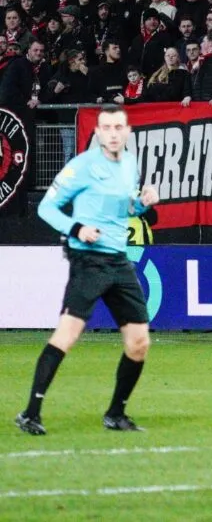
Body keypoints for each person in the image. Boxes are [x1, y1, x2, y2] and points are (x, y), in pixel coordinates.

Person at [16, 106, 161, 435]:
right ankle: (30, 413)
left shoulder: (129, 164)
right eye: (106, 127)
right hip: (88, 262)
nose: (112, 133)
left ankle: (115, 414)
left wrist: (142, 203)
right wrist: (76, 228)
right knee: (67, 335)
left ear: (127, 132)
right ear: (96, 133)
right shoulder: (81, 166)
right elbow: (47, 207)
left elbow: (125, 208)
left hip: (119, 262)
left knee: (139, 342)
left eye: (118, 127)